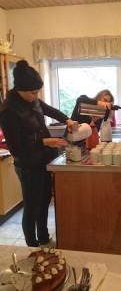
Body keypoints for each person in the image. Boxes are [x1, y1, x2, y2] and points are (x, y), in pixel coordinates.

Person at [0, 60, 79, 247]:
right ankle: (32, 244)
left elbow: (49, 110)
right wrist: (44, 141)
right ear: (20, 89)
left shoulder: (32, 99)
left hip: (42, 158)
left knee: (44, 201)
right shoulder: (8, 110)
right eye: (33, 93)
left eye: (38, 92)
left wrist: (66, 119)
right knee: (32, 206)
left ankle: (43, 238)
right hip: (27, 164)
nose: (36, 96)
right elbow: (15, 148)